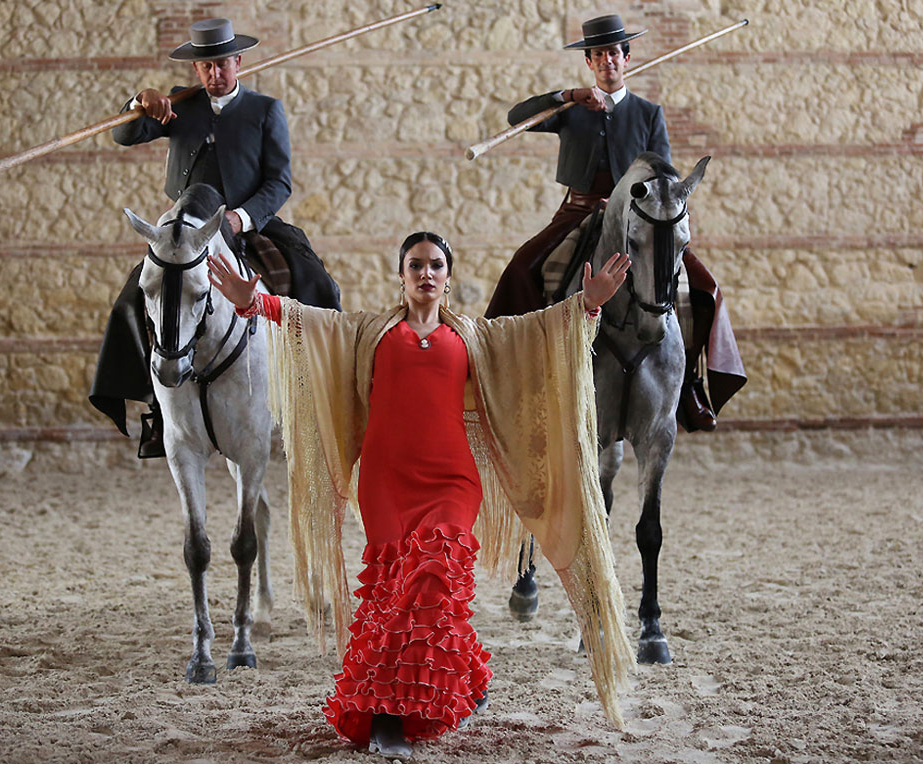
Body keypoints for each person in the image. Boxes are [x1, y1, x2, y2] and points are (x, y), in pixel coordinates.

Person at [208, 232, 637, 758]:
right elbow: (312, 323)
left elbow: (535, 335)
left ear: (449, 277)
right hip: (386, 482)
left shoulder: (475, 336)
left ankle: (390, 718)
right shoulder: (370, 330)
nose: (426, 273)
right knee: (393, 592)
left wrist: (586, 305)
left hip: (452, 480)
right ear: (402, 275)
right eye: (416, 265)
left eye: (436, 265)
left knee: (434, 578)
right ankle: (467, 678)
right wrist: (256, 303)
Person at [89, 18, 341, 458]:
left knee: (314, 282)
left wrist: (243, 219)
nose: (213, 74)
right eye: (205, 67)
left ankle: (317, 397)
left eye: (221, 64)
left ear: (237, 61)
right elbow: (123, 134)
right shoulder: (179, 105)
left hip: (244, 224)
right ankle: (156, 411)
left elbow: (279, 183)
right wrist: (140, 101)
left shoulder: (265, 110)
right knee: (134, 297)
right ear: (197, 70)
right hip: (183, 229)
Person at [484, 14, 745, 430]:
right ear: (589, 62)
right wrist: (568, 95)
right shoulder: (571, 108)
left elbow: (665, 173)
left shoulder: (647, 113)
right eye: (599, 54)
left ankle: (691, 385)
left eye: (613, 53)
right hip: (578, 209)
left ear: (626, 58)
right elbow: (517, 116)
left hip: (637, 219)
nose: (607, 60)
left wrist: (644, 207)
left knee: (703, 285)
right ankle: (517, 377)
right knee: (521, 267)